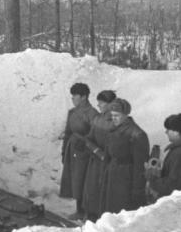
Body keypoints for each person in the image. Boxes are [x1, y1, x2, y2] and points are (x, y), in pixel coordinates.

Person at [59, 83, 99, 221]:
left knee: (84, 181)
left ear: (84, 97)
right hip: (73, 150)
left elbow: (96, 134)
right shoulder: (72, 112)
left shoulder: (92, 114)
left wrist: (86, 145)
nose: (73, 98)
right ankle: (79, 211)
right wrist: (64, 152)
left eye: (75, 95)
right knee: (75, 181)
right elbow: (68, 133)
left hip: (86, 152)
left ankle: (87, 212)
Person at [103, 99, 150, 213]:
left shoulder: (137, 134)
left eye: (117, 115)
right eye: (112, 115)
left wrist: (137, 189)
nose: (113, 118)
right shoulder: (114, 129)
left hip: (126, 179)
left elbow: (139, 165)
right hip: (113, 174)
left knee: (121, 212)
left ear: (125, 115)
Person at [82, 90, 117, 222]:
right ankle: (90, 217)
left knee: (104, 192)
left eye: (102, 103)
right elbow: (89, 138)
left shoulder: (115, 121)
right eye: (98, 103)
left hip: (109, 163)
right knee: (91, 190)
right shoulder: (97, 119)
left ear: (111, 104)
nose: (99, 106)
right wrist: (96, 150)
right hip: (96, 161)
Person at [146, 113, 181, 201]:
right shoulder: (179, 149)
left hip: (174, 201)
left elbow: (173, 185)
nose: (166, 132)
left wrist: (152, 179)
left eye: (168, 129)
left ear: (176, 132)